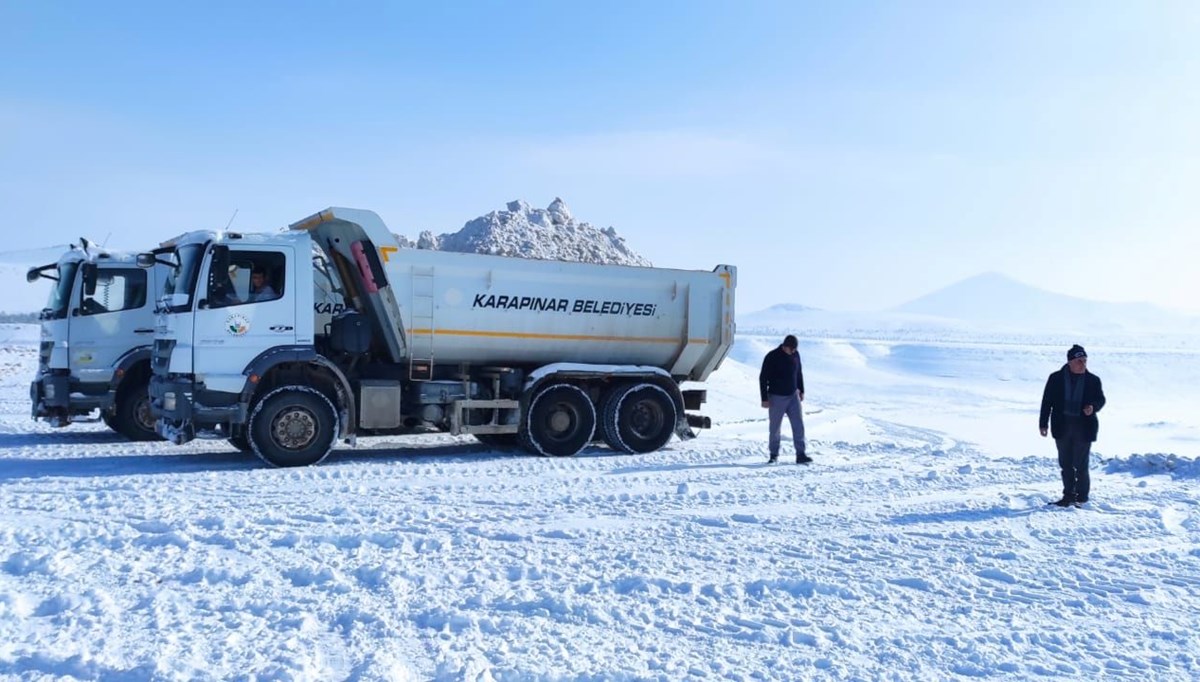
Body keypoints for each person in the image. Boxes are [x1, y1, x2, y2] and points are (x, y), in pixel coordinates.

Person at [1039, 344, 1106, 507]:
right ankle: (1068, 496)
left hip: (1083, 428)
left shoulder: (1093, 380)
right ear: (1070, 362)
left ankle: (1082, 498)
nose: (1083, 364)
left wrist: (1093, 407)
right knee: (1066, 464)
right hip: (1062, 427)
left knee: (1081, 465)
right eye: (1079, 361)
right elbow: (1047, 402)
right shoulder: (1055, 378)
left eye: (1085, 360)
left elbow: (1101, 399)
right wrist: (1043, 423)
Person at [759, 334, 810, 464]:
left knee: (798, 425)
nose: (793, 351)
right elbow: (763, 378)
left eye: (794, 349)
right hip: (776, 397)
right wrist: (764, 398)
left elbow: (798, 373)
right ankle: (773, 454)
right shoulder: (772, 356)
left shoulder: (795, 355)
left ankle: (801, 454)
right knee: (775, 427)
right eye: (791, 349)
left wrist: (801, 390)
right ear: (785, 346)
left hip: (793, 396)